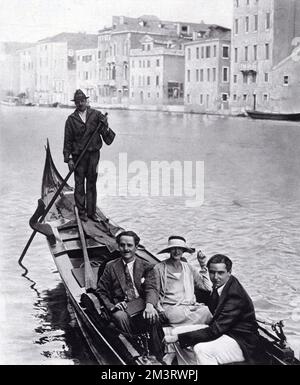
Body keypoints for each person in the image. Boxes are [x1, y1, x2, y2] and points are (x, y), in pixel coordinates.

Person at [165, 254, 260, 365]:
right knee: (177, 331)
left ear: (229, 273)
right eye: (212, 272)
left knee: (203, 350)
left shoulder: (235, 295)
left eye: (220, 273)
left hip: (241, 341)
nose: (215, 277)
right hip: (225, 332)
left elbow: (215, 330)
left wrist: (178, 338)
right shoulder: (220, 285)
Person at [96, 230, 164, 361]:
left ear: (136, 247)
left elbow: (152, 288)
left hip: (141, 303)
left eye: (129, 245)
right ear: (118, 246)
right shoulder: (111, 266)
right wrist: (112, 306)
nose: (125, 249)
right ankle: (134, 347)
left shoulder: (147, 266)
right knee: (119, 316)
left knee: (153, 315)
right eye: (122, 245)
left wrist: (150, 306)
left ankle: (158, 355)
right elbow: (101, 291)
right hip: (122, 306)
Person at [63, 89, 115, 222]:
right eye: (78, 102)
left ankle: (91, 213)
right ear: (75, 104)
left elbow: (107, 138)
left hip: (93, 156)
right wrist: (68, 159)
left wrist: (106, 126)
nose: (80, 103)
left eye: (82, 101)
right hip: (78, 158)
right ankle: (81, 213)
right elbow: (67, 141)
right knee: (79, 184)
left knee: (91, 184)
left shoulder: (96, 115)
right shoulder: (71, 120)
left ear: (86, 101)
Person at [154, 236, 212, 326]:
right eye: (173, 249)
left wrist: (203, 264)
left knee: (206, 311)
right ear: (169, 250)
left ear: (183, 251)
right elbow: (154, 292)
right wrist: (160, 309)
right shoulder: (159, 268)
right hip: (172, 308)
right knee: (176, 314)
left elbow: (207, 288)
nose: (177, 252)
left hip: (189, 307)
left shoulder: (189, 267)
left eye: (180, 249)